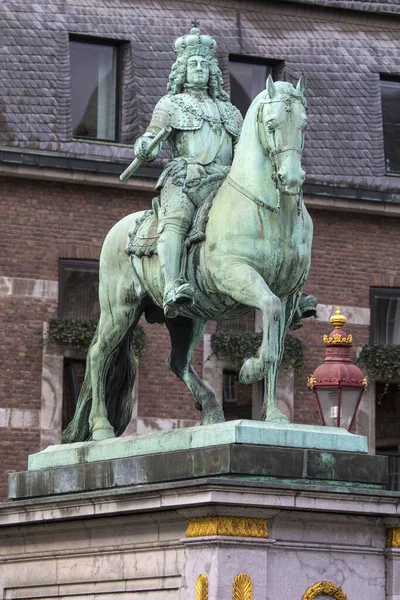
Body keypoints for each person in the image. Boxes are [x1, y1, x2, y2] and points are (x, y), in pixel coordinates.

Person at [134, 24, 242, 316]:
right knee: (176, 222)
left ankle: (287, 290)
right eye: (192, 64)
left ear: (212, 71)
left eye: (204, 64)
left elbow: (244, 152)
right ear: (182, 70)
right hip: (185, 179)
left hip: (225, 183)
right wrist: (144, 146)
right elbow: (152, 138)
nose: (198, 68)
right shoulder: (170, 104)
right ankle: (172, 285)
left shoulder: (231, 112)